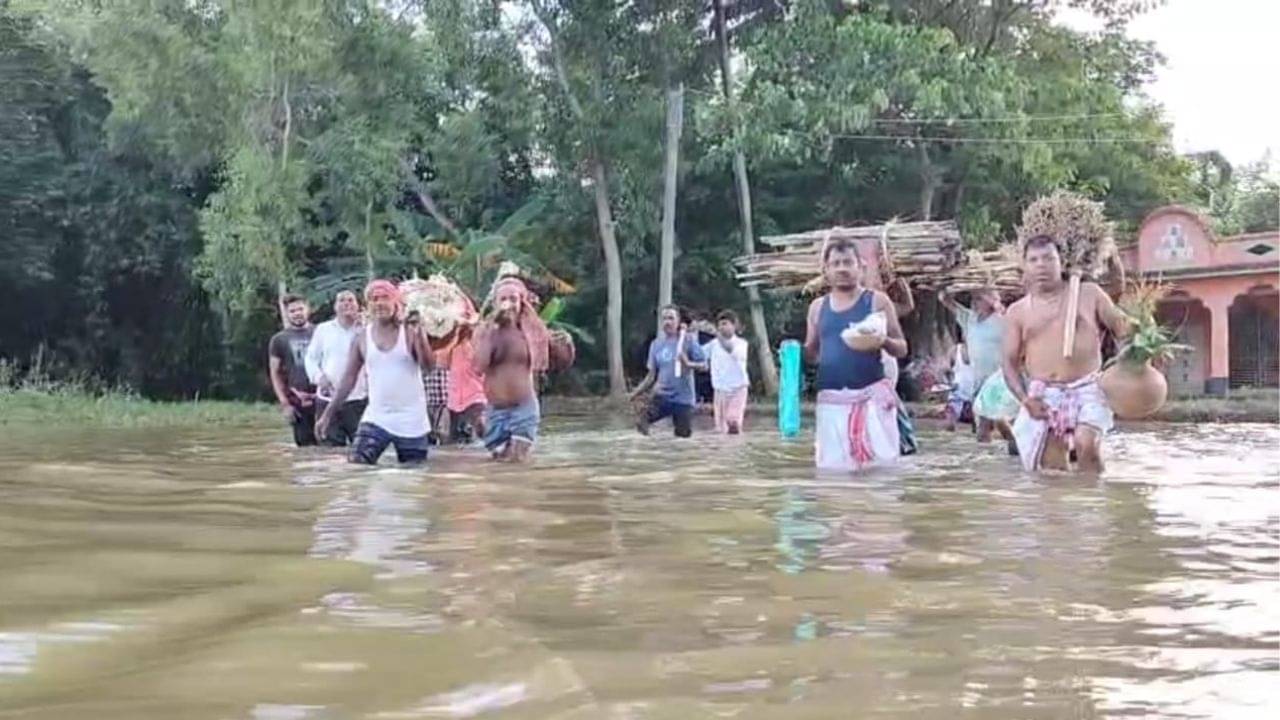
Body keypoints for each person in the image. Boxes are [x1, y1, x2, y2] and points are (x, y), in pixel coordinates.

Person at [1003, 235, 1129, 473]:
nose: (1041, 265)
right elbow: (1008, 363)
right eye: (1034, 260)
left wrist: (1134, 357)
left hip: (1089, 387)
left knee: (1086, 444)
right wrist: (1025, 400)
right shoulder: (1017, 311)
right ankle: (1063, 510)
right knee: (1052, 464)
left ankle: (1095, 505)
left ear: (1062, 261)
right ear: (1025, 266)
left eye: (1049, 258)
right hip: (1044, 392)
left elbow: (1122, 329)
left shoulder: (1089, 293)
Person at [803, 238, 908, 471]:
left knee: (881, 471)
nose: (842, 268)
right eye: (836, 263)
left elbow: (902, 347)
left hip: (871, 398)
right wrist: (794, 354)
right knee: (833, 473)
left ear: (860, 267)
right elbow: (811, 353)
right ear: (826, 271)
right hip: (831, 401)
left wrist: (882, 341)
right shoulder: (818, 307)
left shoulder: (877, 302)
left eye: (848, 262)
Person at [317, 280, 436, 465]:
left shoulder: (410, 332)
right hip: (377, 416)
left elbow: (428, 367)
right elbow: (348, 380)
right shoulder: (361, 338)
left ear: (396, 302)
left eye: (385, 298)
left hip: (412, 419)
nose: (380, 303)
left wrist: (420, 335)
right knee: (357, 466)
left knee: (414, 477)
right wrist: (327, 414)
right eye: (374, 299)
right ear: (368, 306)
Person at [472, 275, 575, 462]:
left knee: (515, 461)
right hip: (496, 411)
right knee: (498, 465)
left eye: (513, 299)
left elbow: (562, 363)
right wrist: (491, 330)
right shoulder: (484, 331)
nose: (508, 304)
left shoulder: (534, 332)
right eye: (503, 299)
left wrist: (566, 344)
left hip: (524, 407)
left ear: (522, 303)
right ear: (495, 303)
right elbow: (478, 366)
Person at [939, 286, 1008, 443]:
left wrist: (995, 303)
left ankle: (1015, 446)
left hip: (998, 379)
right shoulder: (969, 318)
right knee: (982, 429)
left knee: (999, 421)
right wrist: (952, 288)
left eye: (979, 299)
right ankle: (987, 460)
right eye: (973, 299)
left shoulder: (1001, 320)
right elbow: (944, 299)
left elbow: (1013, 325)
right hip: (979, 381)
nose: (974, 303)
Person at [631, 305, 709, 438]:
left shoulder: (688, 340)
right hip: (662, 396)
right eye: (664, 319)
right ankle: (653, 450)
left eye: (671, 318)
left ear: (679, 321)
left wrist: (688, 363)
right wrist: (635, 393)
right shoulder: (656, 344)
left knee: (682, 439)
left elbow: (705, 366)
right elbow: (651, 376)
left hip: (683, 400)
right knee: (641, 422)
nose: (667, 322)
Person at [305, 290, 366, 446]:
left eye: (351, 300)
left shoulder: (367, 329)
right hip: (327, 398)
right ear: (335, 307)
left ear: (359, 306)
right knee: (330, 451)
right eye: (342, 300)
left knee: (362, 449)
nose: (346, 303)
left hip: (358, 399)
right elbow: (311, 359)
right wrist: (319, 378)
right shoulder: (323, 329)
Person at [268, 294, 317, 447]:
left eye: (300, 309)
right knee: (304, 450)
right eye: (292, 311)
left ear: (308, 309)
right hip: (297, 402)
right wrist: (285, 404)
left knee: (330, 447)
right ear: (286, 314)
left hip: (323, 399)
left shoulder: (321, 332)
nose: (297, 313)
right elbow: (275, 373)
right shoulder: (279, 339)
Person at [702, 310, 750, 434]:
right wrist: (692, 332)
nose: (721, 327)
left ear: (734, 326)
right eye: (720, 325)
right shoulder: (713, 344)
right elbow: (699, 354)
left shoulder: (741, 344)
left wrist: (716, 334)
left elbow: (730, 349)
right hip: (720, 390)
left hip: (738, 389)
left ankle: (735, 447)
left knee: (733, 421)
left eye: (725, 323)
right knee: (721, 428)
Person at [444, 324, 487, 444]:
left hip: (468, 395)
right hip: (464, 395)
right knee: (458, 433)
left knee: (456, 435)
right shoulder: (457, 348)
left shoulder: (461, 348)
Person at [945, 342, 976, 432]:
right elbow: (945, 370)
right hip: (957, 394)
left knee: (979, 431)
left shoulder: (982, 348)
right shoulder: (954, 350)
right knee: (950, 427)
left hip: (975, 394)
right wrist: (949, 382)